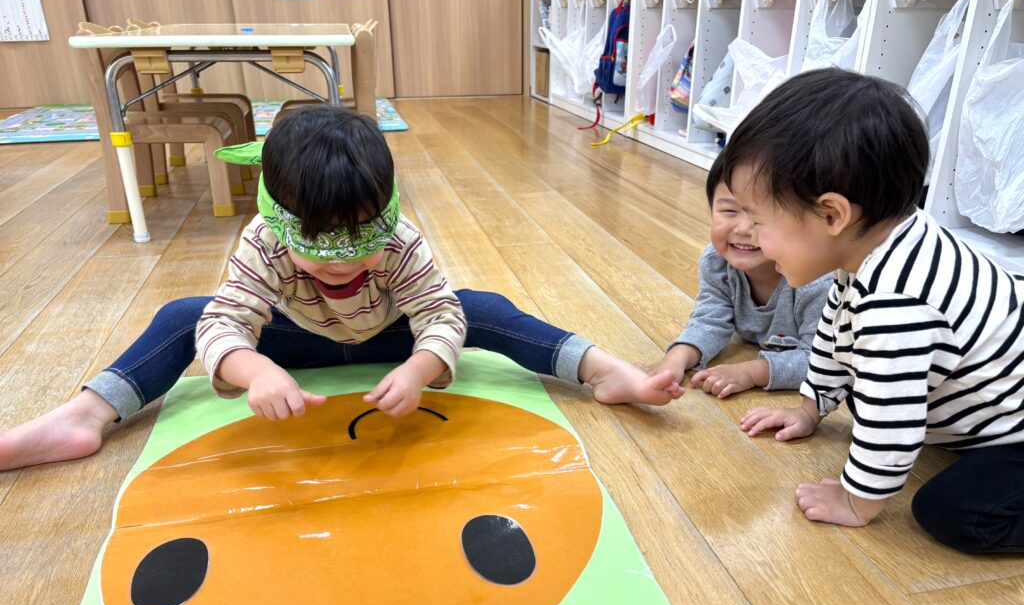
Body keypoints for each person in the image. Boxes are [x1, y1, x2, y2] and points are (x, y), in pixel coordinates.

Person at [0, 105, 681, 472]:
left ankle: (606, 371)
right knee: (183, 314)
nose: (338, 260)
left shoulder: (399, 240)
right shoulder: (264, 241)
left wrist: (420, 365)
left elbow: (439, 313)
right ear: (278, 217)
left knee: (484, 308)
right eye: (317, 241)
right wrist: (255, 367)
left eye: (359, 235)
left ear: (384, 210)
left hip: (388, 332)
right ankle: (86, 415)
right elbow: (225, 324)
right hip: (296, 345)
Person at [732, 69, 1024, 553]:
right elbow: (834, 332)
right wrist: (812, 407)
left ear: (831, 214)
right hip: (995, 389)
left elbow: (893, 420)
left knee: (953, 512)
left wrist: (856, 500)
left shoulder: (898, 303)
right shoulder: (876, 245)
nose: (752, 238)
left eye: (759, 221)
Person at [645, 153, 831, 398]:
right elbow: (710, 319)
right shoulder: (717, 261)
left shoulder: (817, 280)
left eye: (759, 216)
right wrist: (675, 359)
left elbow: (822, 362)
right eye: (729, 210)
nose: (743, 229)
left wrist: (751, 372)